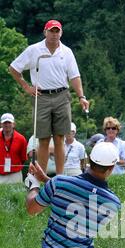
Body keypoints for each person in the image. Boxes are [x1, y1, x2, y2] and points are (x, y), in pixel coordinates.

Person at [9, 19, 89, 175]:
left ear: (61, 33)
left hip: (62, 95)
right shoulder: (34, 50)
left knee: (60, 138)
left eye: (56, 31)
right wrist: (26, 87)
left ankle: (59, 178)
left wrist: (81, 97)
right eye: (51, 31)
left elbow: (74, 76)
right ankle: (41, 177)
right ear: (45, 32)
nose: (54, 34)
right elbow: (14, 68)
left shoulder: (67, 52)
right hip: (41, 97)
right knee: (43, 139)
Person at [0, 113, 27, 184]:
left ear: (13, 124)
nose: (7, 125)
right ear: (1, 124)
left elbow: (23, 158)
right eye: (5, 123)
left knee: (16, 195)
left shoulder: (21, 139)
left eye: (9, 122)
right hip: (0, 174)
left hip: (15, 174)